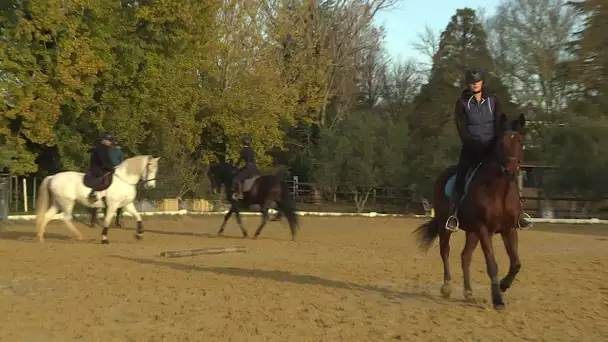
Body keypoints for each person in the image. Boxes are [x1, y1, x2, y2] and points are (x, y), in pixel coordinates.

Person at [445, 68, 532, 231]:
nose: (474, 85)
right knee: (461, 174)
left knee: (509, 170)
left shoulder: (493, 100)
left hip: (492, 146)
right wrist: (471, 142)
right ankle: (454, 214)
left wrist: (499, 142)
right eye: (472, 83)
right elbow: (461, 127)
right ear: (468, 84)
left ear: (482, 82)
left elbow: (499, 122)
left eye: (477, 82)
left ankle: (518, 213)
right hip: (472, 147)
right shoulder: (462, 103)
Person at [88, 132, 116, 202]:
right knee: (101, 175)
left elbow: (107, 160)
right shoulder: (100, 148)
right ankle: (92, 193)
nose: (111, 142)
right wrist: (110, 167)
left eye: (111, 141)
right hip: (96, 166)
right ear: (104, 140)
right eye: (110, 140)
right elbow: (103, 160)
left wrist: (113, 166)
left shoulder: (105, 147)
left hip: (101, 166)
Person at [232, 136, 259, 200]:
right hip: (255, 167)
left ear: (243, 143)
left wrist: (235, 166)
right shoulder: (251, 149)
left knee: (237, 179)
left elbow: (240, 160)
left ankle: (240, 194)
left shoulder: (243, 150)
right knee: (241, 171)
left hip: (248, 168)